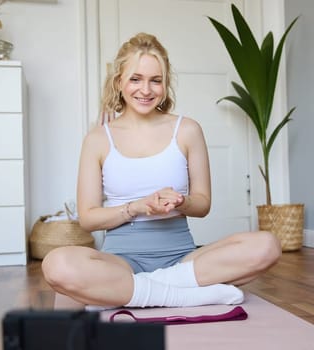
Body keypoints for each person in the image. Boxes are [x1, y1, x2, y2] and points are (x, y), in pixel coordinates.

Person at [41, 33, 281, 309]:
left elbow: (202, 204)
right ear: (118, 81)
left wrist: (182, 201)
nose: (146, 90)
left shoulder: (188, 130)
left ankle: (133, 293)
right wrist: (137, 207)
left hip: (182, 259)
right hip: (121, 263)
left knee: (267, 245)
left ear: (166, 84)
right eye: (135, 79)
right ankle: (179, 294)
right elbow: (88, 218)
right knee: (57, 265)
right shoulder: (97, 139)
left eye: (156, 80)